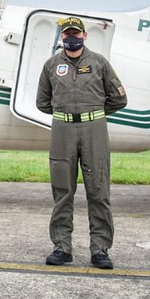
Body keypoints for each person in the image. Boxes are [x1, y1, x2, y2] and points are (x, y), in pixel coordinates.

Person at [36, 17, 127, 269]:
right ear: (62, 37)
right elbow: (42, 102)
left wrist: (94, 113)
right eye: (67, 34)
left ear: (85, 36)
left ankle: (100, 249)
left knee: (98, 191)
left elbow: (119, 98)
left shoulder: (99, 63)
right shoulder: (51, 65)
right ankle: (62, 247)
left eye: (76, 33)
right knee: (63, 192)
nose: (71, 38)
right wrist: (66, 113)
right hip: (62, 129)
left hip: (94, 129)